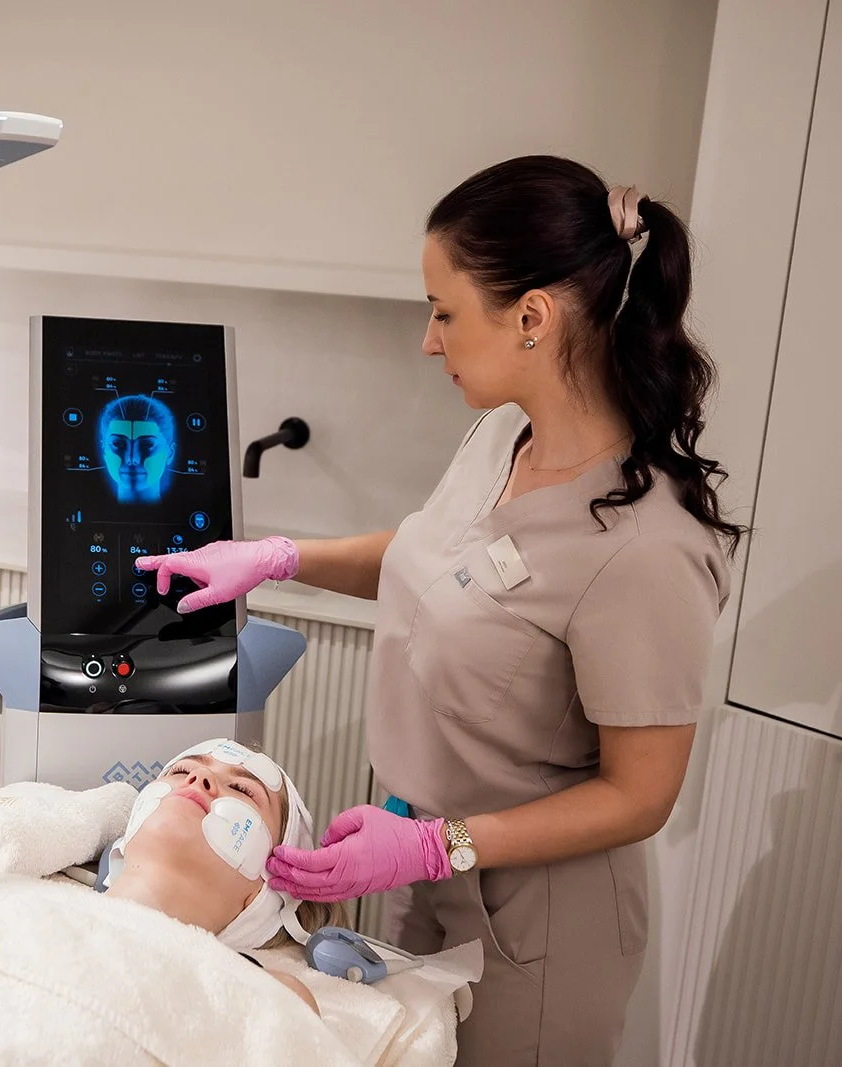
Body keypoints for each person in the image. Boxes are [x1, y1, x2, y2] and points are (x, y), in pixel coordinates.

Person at [135, 156, 743, 1065]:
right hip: (424, 871)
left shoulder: (645, 546)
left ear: (532, 317)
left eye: (445, 311)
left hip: (534, 934)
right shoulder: (503, 435)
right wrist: (278, 557)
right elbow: (436, 562)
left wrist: (433, 845)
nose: (430, 340)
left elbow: (643, 794)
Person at [100, 739, 353, 1013]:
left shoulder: (261, 997)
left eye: (242, 789)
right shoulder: (47, 898)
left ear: (267, 895)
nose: (199, 777)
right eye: (181, 771)